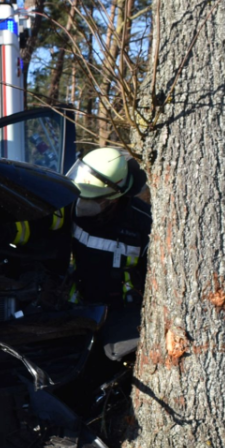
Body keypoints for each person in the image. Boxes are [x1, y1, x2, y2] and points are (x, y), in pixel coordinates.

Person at [66, 147, 151, 361]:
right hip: (78, 306)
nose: (83, 204)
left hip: (122, 314)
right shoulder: (67, 205)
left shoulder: (142, 224)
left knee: (109, 358)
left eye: (92, 199)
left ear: (113, 198)